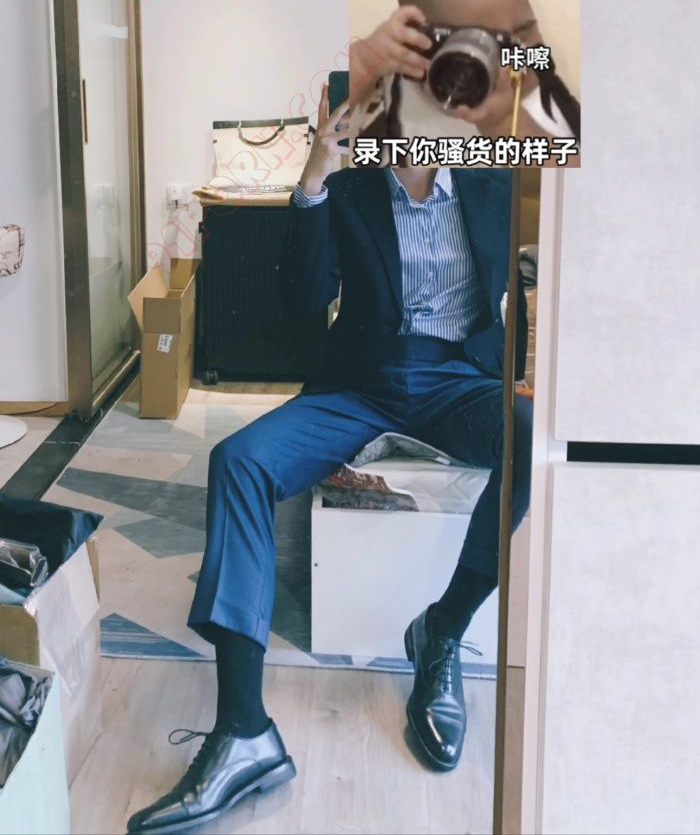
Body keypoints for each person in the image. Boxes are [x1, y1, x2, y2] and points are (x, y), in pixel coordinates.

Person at [127, 83, 533, 834]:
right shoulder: (350, 184)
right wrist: (314, 175)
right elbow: (302, 296)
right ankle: (244, 731)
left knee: (532, 437)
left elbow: (533, 269)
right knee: (239, 460)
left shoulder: (491, 178)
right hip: (361, 385)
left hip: (461, 382)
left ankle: (441, 632)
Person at [350, 0, 580, 167]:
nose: (512, 56)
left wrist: (508, 123)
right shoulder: (389, 91)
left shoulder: (546, 91)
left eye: (524, 32)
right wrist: (362, 65)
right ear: (422, 40)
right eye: (483, 45)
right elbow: (330, 126)